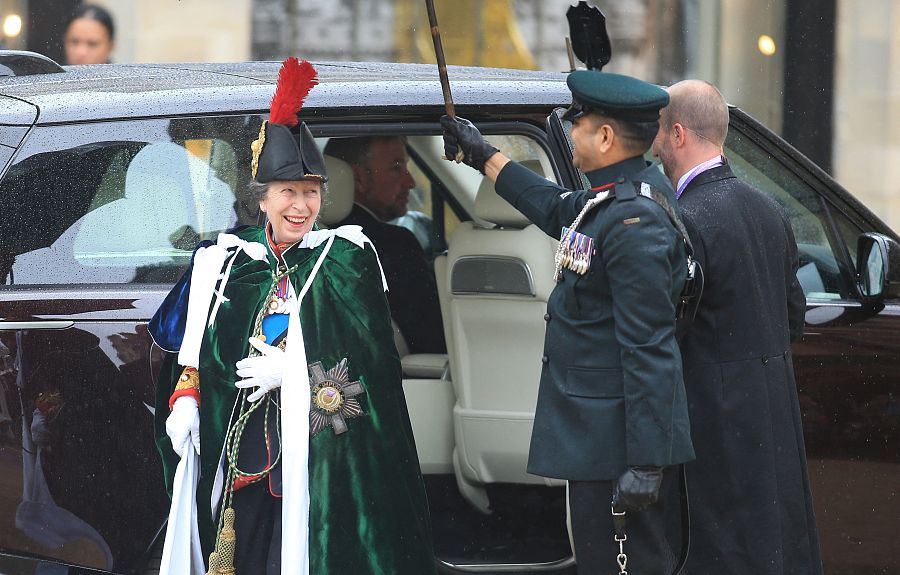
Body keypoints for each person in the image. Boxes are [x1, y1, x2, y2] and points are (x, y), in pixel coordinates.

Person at [149, 58, 436, 575]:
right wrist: (187, 399)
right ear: (263, 200)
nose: (300, 205)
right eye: (288, 192)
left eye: (310, 192)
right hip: (245, 461)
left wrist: (299, 377)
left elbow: (375, 373)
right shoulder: (227, 262)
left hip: (324, 467)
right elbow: (193, 351)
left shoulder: (347, 260)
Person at [441, 70, 694, 575]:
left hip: (617, 449)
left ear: (604, 137)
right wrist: (482, 154)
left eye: (577, 125)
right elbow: (555, 208)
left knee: (625, 565)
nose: (571, 134)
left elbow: (649, 349)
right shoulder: (612, 200)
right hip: (597, 442)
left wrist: (646, 461)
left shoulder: (634, 223)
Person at [652, 79, 822, 574]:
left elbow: (666, 331)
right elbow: (794, 315)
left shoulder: (683, 221)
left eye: (660, 132)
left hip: (712, 418)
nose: (657, 144)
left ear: (678, 133)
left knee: (720, 551)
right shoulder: (770, 210)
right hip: (773, 414)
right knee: (772, 546)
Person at [323, 136, 446, 354]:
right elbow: (432, 341)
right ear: (358, 178)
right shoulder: (394, 243)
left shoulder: (308, 244)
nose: (411, 182)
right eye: (396, 168)